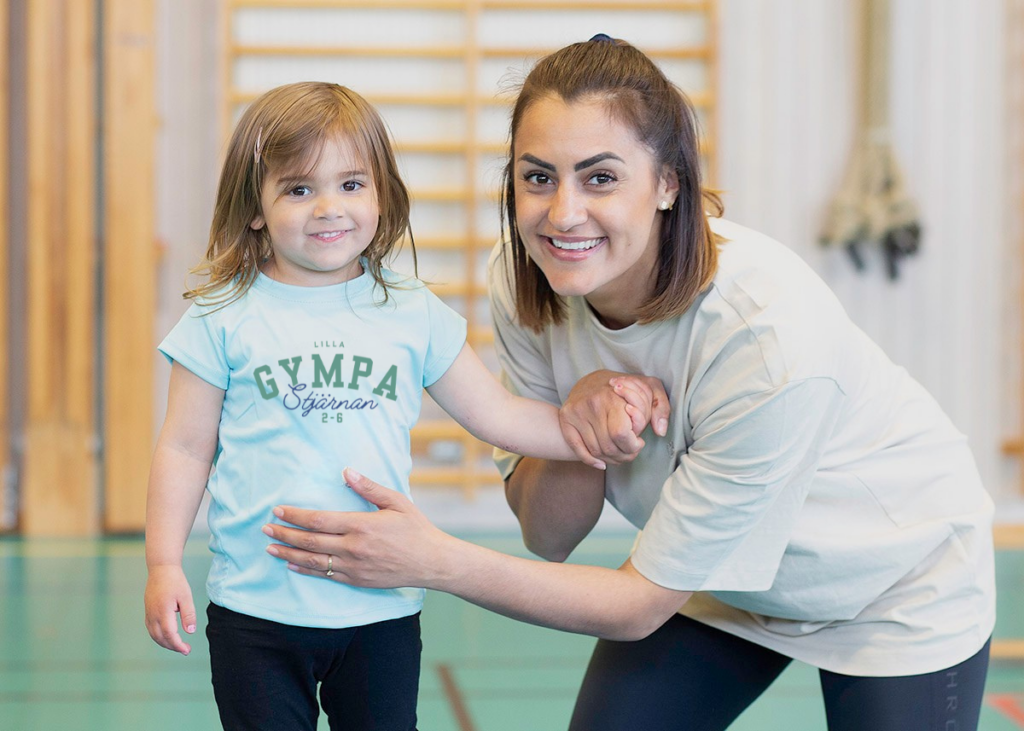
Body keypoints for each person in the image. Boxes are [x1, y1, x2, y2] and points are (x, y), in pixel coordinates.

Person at [263, 38, 996, 731]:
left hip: (889, 578)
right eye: (537, 177)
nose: (563, 213)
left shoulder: (765, 336)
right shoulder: (527, 279)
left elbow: (639, 605)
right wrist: (581, 420)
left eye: (601, 177)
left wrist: (434, 559)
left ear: (668, 183)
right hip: (712, 579)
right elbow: (550, 533)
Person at [143, 80, 626, 731]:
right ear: (255, 206)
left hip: (381, 609)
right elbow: (183, 447)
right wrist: (164, 561)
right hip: (256, 614)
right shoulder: (223, 316)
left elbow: (501, 416)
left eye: (350, 184)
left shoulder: (411, 310)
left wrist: (594, 430)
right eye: (298, 189)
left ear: (381, 195)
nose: (328, 208)